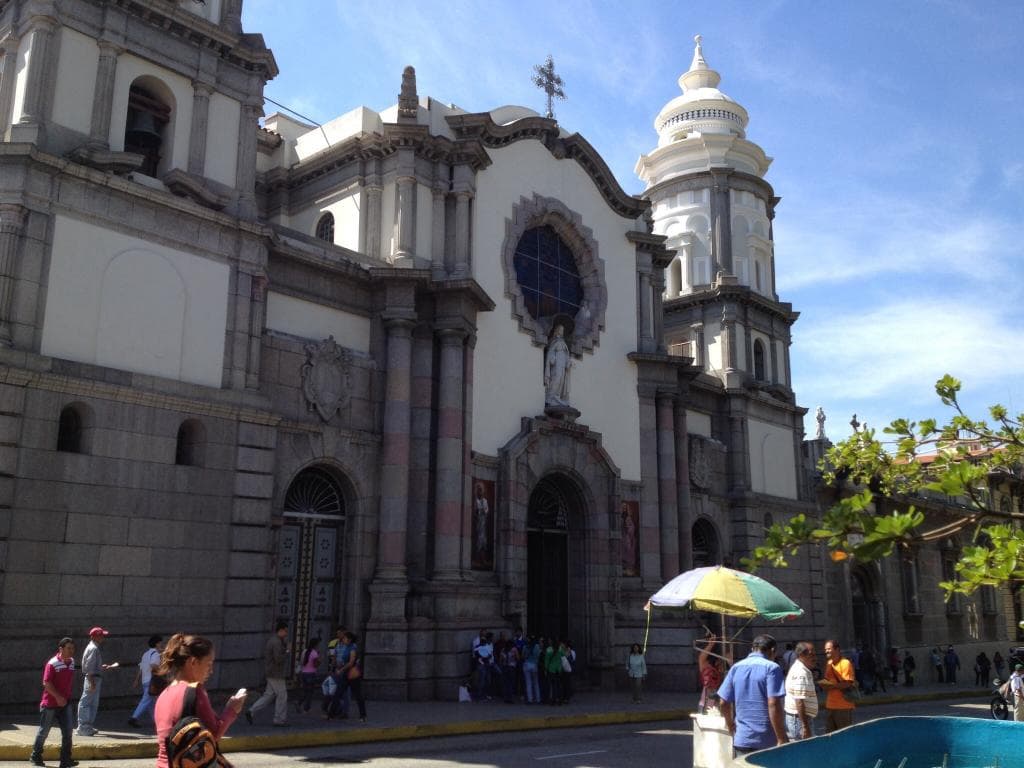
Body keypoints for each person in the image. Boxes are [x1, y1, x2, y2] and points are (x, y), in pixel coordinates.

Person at [153, 633, 245, 768]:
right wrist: (232, 710)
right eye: (209, 664)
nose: (211, 671)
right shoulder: (194, 691)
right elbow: (214, 734)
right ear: (193, 662)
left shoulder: (164, 694)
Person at [717, 634, 788, 754]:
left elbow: (723, 702)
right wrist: (781, 737)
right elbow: (773, 703)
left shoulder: (736, 667)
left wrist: (730, 724)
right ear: (772, 650)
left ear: (752, 649)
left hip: (742, 739)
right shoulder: (772, 668)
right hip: (766, 741)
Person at [30, 637, 77, 768]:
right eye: (69, 648)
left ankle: (65, 759)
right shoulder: (52, 663)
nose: (72, 651)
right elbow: (46, 683)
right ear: (61, 649)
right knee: (44, 732)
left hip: (65, 704)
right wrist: (58, 697)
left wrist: (64, 698)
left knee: (68, 732)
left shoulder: (72, 662)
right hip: (50, 704)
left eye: (73, 648)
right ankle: (35, 755)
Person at [246, 620, 289, 726]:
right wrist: (287, 651)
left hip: (271, 672)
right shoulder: (277, 642)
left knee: (268, 695)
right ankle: (279, 719)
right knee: (282, 696)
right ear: (281, 630)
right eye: (285, 631)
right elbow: (278, 659)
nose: (286, 633)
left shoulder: (274, 640)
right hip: (276, 673)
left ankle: (251, 711)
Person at [77, 627, 112, 737]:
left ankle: (87, 726)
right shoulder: (93, 649)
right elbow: (89, 668)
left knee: (92, 703)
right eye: (100, 635)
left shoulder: (93, 648)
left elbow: (91, 666)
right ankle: (83, 727)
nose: (102, 637)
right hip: (93, 679)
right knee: (87, 703)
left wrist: (100, 667)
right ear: (94, 637)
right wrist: (92, 682)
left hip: (94, 678)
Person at [784, 642, 818, 741]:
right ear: (801, 655)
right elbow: (799, 701)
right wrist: (805, 726)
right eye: (811, 655)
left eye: (815, 654)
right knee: (807, 748)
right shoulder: (801, 672)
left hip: (799, 719)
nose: (815, 658)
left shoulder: (801, 669)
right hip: (799, 720)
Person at [819, 639, 855, 733]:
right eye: (825, 649)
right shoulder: (829, 663)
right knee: (830, 735)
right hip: (830, 705)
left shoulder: (845, 663)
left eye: (829, 649)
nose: (826, 651)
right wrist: (823, 685)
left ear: (837, 649)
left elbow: (847, 683)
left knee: (844, 735)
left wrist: (831, 686)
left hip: (843, 706)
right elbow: (827, 680)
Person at [329, 631, 366, 722]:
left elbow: (351, 662)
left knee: (358, 695)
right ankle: (331, 714)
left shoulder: (353, 648)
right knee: (338, 693)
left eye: (345, 638)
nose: (343, 640)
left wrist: (341, 670)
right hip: (345, 674)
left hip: (353, 675)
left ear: (349, 640)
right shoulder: (346, 647)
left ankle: (363, 715)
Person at [128, 635, 163, 728]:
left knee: (151, 702)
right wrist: (162, 671)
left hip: (145, 680)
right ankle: (134, 717)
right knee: (146, 700)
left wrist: (137, 680)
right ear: (156, 644)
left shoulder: (145, 654)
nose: (161, 644)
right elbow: (153, 665)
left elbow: (141, 668)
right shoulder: (155, 654)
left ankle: (156, 721)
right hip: (152, 681)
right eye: (160, 643)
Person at [697, 634, 727, 713]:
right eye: (719, 663)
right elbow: (701, 658)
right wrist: (711, 644)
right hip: (706, 704)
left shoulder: (724, 672)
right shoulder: (708, 669)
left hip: (719, 705)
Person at [543, 324, 571, 406]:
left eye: (563, 330)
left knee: (561, 379)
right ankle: (550, 397)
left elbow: (566, 354)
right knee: (556, 377)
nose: (562, 331)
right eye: (561, 330)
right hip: (557, 362)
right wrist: (552, 358)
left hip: (562, 362)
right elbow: (550, 351)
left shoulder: (563, 342)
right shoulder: (554, 341)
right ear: (557, 330)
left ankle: (557, 397)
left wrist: (568, 361)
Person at [296, 637, 321, 714]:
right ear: (316, 645)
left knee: (305, 690)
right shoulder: (314, 653)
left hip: (304, 673)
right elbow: (315, 665)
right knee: (310, 692)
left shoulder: (304, 651)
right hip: (311, 673)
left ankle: (299, 702)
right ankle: (306, 708)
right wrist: (320, 659)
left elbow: (301, 662)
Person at [522, 636, 541, 704]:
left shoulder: (525, 647)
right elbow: (539, 655)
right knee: (536, 683)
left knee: (528, 683)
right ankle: (538, 699)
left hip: (527, 664)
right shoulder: (537, 646)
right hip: (535, 665)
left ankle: (530, 699)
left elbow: (523, 656)